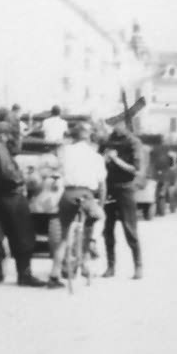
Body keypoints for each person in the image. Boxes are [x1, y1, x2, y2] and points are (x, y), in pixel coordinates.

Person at [0, 113, 46, 286]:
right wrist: (21, 178)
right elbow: (8, 173)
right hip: (11, 197)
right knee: (23, 237)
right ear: (4, 134)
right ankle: (25, 275)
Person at [47, 122, 106, 288]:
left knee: (64, 238)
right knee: (99, 217)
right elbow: (102, 185)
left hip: (68, 195)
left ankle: (54, 275)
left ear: (73, 137)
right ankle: (91, 244)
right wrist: (100, 204)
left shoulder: (64, 152)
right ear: (89, 138)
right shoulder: (96, 156)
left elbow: (56, 173)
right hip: (86, 196)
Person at [101, 126, 144, 279]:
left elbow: (134, 169)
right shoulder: (107, 140)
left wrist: (115, 159)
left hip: (125, 188)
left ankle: (138, 266)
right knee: (108, 229)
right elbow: (98, 161)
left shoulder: (133, 142)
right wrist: (104, 159)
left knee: (129, 228)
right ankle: (110, 266)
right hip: (109, 187)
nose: (115, 126)